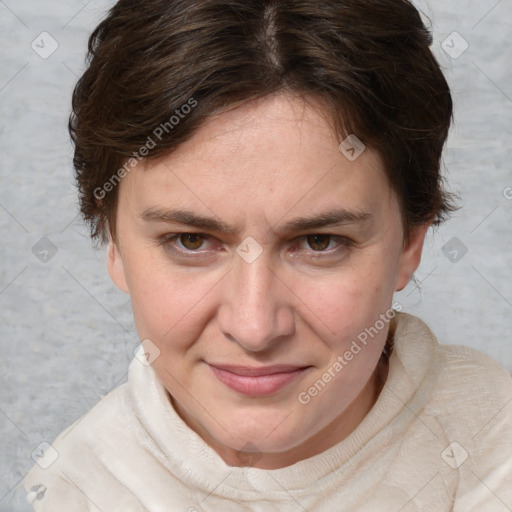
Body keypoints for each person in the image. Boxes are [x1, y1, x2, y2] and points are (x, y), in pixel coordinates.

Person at [23, 0, 512, 510]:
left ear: (411, 241)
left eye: (319, 242)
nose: (255, 328)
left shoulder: (495, 444)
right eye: (191, 240)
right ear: (115, 244)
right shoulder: (68, 491)